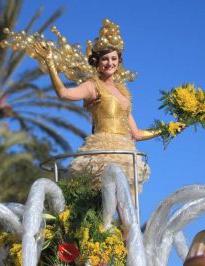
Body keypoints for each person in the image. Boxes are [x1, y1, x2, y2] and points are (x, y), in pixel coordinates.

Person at [34, 19, 161, 198]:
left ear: (119, 61)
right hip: (103, 151)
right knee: (105, 200)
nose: (110, 63)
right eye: (105, 59)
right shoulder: (92, 85)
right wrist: (50, 64)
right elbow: (64, 93)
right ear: (98, 62)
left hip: (125, 153)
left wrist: (168, 129)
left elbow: (137, 134)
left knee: (128, 206)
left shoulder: (123, 91)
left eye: (114, 58)